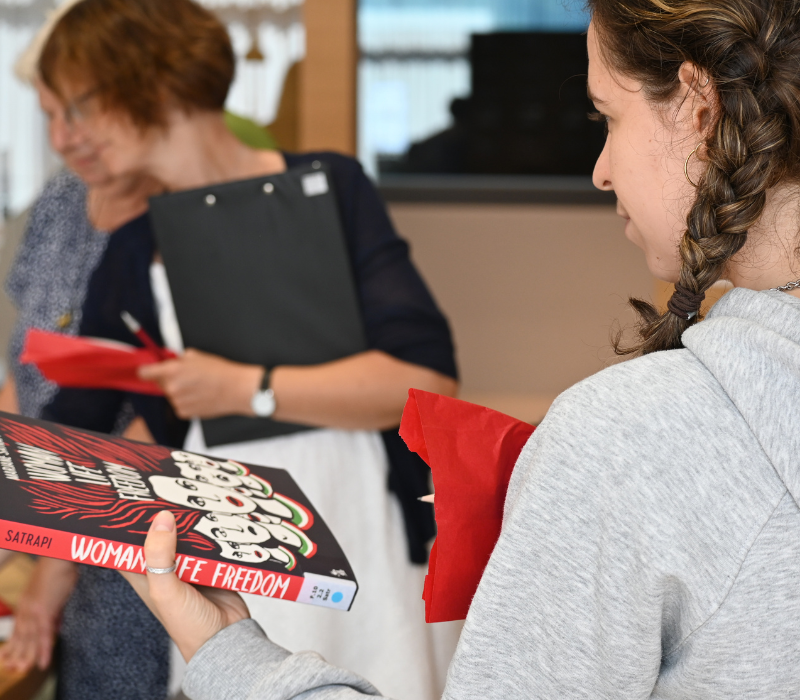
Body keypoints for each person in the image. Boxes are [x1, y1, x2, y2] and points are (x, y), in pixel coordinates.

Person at [126, 0, 800, 697]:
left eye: (607, 117)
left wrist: (226, 650)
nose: (600, 170)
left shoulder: (623, 441)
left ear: (696, 106)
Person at [37, 1, 461, 699]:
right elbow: (67, 424)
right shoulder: (134, 247)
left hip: (366, 536)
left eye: (78, 107)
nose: (64, 136)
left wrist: (247, 390)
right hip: (227, 556)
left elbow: (422, 379)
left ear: (154, 80)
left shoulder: (330, 187)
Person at [0, 7, 286, 694]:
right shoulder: (61, 203)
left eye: (80, 114)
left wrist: (48, 560)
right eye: (48, 116)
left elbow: (148, 416)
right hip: (54, 508)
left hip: (140, 528)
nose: (66, 139)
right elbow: (25, 366)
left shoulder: (187, 215)